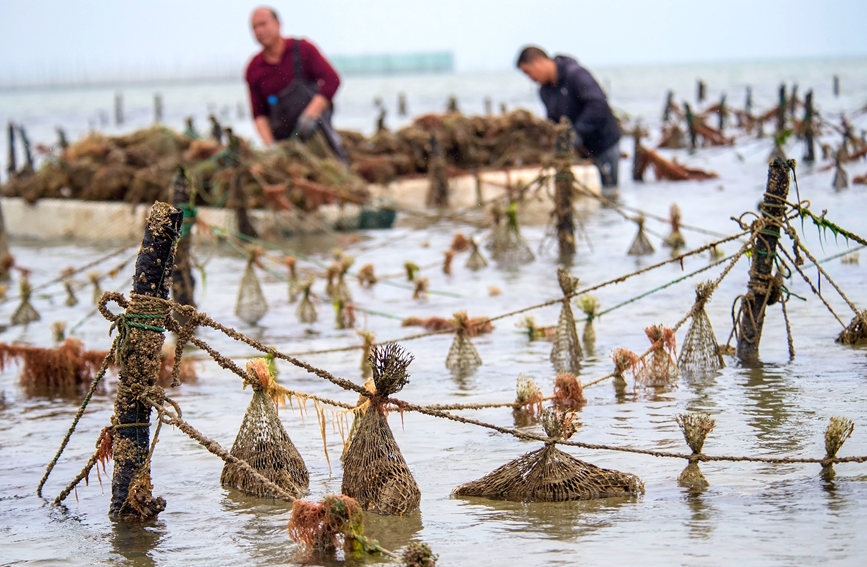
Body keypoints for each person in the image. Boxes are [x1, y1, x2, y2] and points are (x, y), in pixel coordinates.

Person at [245, 6, 346, 159]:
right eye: (254, 27)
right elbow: (259, 115)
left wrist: (310, 115)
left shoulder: (303, 50)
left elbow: (332, 80)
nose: (259, 31)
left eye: (263, 24)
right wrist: (271, 147)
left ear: (278, 24)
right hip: (284, 141)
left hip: (315, 132)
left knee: (332, 163)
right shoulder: (254, 68)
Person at [516, 46, 621, 190]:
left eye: (528, 72)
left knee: (609, 190)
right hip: (581, 151)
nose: (530, 78)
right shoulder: (545, 91)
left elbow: (598, 104)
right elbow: (553, 121)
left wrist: (577, 132)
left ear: (539, 61)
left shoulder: (576, 75)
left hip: (604, 144)